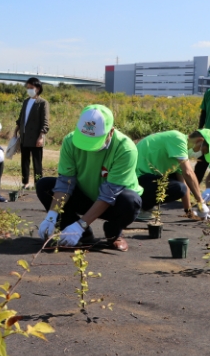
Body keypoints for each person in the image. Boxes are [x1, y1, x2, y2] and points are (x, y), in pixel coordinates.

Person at [35, 104, 142, 252]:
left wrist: (81, 224)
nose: (88, 148)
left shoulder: (125, 149)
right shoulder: (70, 141)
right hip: (84, 195)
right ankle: (81, 234)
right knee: (45, 186)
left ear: (111, 132)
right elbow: (66, 182)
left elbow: (109, 193)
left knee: (131, 201)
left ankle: (113, 234)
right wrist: (52, 216)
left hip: (114, 202)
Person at [135, 130, 210, 220]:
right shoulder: (177, 138)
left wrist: (189, 212)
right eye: (203, 151)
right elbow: (188, 173)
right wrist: (201, 202)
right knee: (178, 187)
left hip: (145, 179)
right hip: (137, 179)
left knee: (180, 185)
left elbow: (183, 180)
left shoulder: (179, 151)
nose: (201, 154)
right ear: (199, 141)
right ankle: (141, 207)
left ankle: (143, 205)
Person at [14, 77, 49, 189]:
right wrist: (16, 132)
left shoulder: (43, 103)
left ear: (38, 88)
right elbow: (21, 119)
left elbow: (45, 122)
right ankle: (25, 183)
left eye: (31, 88)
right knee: (24, 161)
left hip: (36, 138)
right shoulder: (26, 102)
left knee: (37, 162)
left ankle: (38, 184)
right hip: (24, 137)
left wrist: (41, 136)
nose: (29, 90)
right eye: (28, 88)